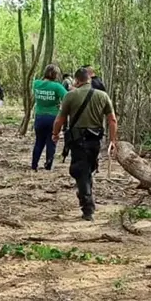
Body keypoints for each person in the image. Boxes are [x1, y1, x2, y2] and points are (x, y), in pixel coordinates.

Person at [53, 67, 118, 222]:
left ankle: (87, 206)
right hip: (95, 140)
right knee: (87, 169)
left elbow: (60, 119)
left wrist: (55, 134)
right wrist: (113, 141)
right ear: (90, 79)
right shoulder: (103, 96)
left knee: (80, 170)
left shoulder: (70, 96)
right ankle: (86, 195)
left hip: (77, 140)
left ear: (77, 80)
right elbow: (112, 120)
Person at [31, 64, 68, 171]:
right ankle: (48, 165)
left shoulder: (36, 84)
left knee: (39, 142)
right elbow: (67, 97)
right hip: (53, 117)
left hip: (39, 117)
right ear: (55, 74)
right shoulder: (57, 86)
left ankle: (34, 165)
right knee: (51, 141)